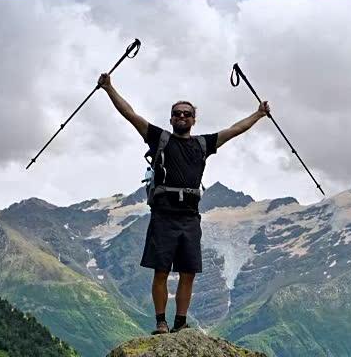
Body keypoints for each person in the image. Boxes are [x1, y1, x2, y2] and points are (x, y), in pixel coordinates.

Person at [97, 72, 268, 334]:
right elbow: (130, 114)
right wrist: (109, 88)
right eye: (177, 113)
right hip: (164, 215)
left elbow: (235, 130)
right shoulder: (159, 138)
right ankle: (161, 323)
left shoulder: (203, 144)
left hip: (189, 217)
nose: (182, 117)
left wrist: (258, 115)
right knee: (161, 271)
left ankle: (180, 323)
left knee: (188, 273)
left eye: (187, 113)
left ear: (193, 119)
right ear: (171, 118)